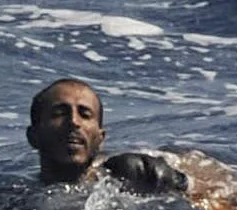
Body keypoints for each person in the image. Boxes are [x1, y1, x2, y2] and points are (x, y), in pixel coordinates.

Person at [25, 78, 190, 196]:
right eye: (59, 114)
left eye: (85, 114)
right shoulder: (19, 200)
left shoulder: (134, 174)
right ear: (33, 137)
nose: (74, 122)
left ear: (100, 139)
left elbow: (208, 191)